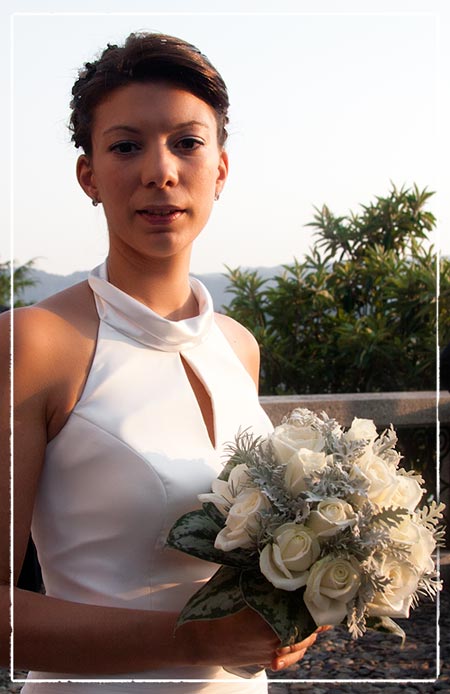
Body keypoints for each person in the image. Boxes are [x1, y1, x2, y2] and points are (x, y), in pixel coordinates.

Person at [0, 32, 324, 693]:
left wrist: (299, 604)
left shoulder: (237, 347)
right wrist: (195, 638)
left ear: (222, 169)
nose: (161, 171)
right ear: (88, 174)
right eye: (126, 146)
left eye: (186, 142)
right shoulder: (36, 343)